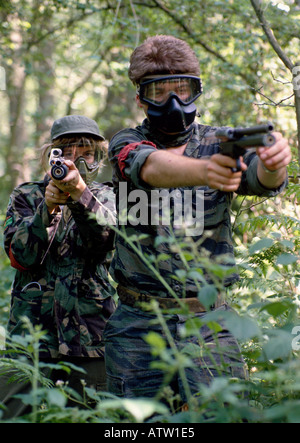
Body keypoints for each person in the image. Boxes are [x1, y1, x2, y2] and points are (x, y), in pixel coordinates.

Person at [104, 35, 291, 404]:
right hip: (138, 324)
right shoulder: (126, 142)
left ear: (197, 90)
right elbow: (151, 166)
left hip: (209, 321)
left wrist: (275, 163)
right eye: (160, 92)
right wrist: (207, 171)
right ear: (140, 97)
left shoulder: (221, 142)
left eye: (183, 89)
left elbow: (261, 181)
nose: (174, 102)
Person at [0, 115, 116, 419]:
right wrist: (47, 209)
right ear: (51, 154)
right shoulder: (26, 195)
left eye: (85, 152)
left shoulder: (106, 197)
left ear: (96, 157)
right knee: (14, 413)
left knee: (92, 415)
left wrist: (80, 196)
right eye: (65, 151)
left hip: (90, 334)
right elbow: (20, 257)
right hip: (31, 331)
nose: (75, 159)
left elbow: (104, 243)